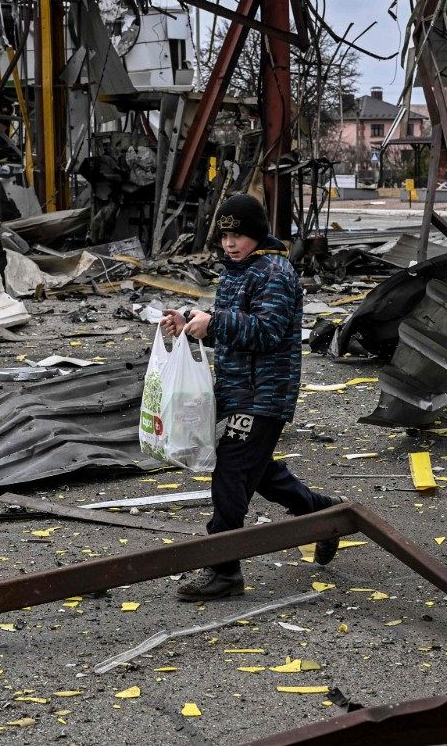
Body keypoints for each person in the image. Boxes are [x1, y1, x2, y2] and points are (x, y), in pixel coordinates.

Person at [160, 193, 344, 601]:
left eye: (238, 235)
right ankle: (321, 513)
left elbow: (268, 331)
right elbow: (229, 324)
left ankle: (224, 570)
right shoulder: (237, 271)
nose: (230, 243)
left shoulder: (274, 272)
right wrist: (190, 321)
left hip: (264, 393)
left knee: (231, 471)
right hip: (236, 389)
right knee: (256, 469)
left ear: (257, 233)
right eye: (225, 235)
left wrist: (216, 323)